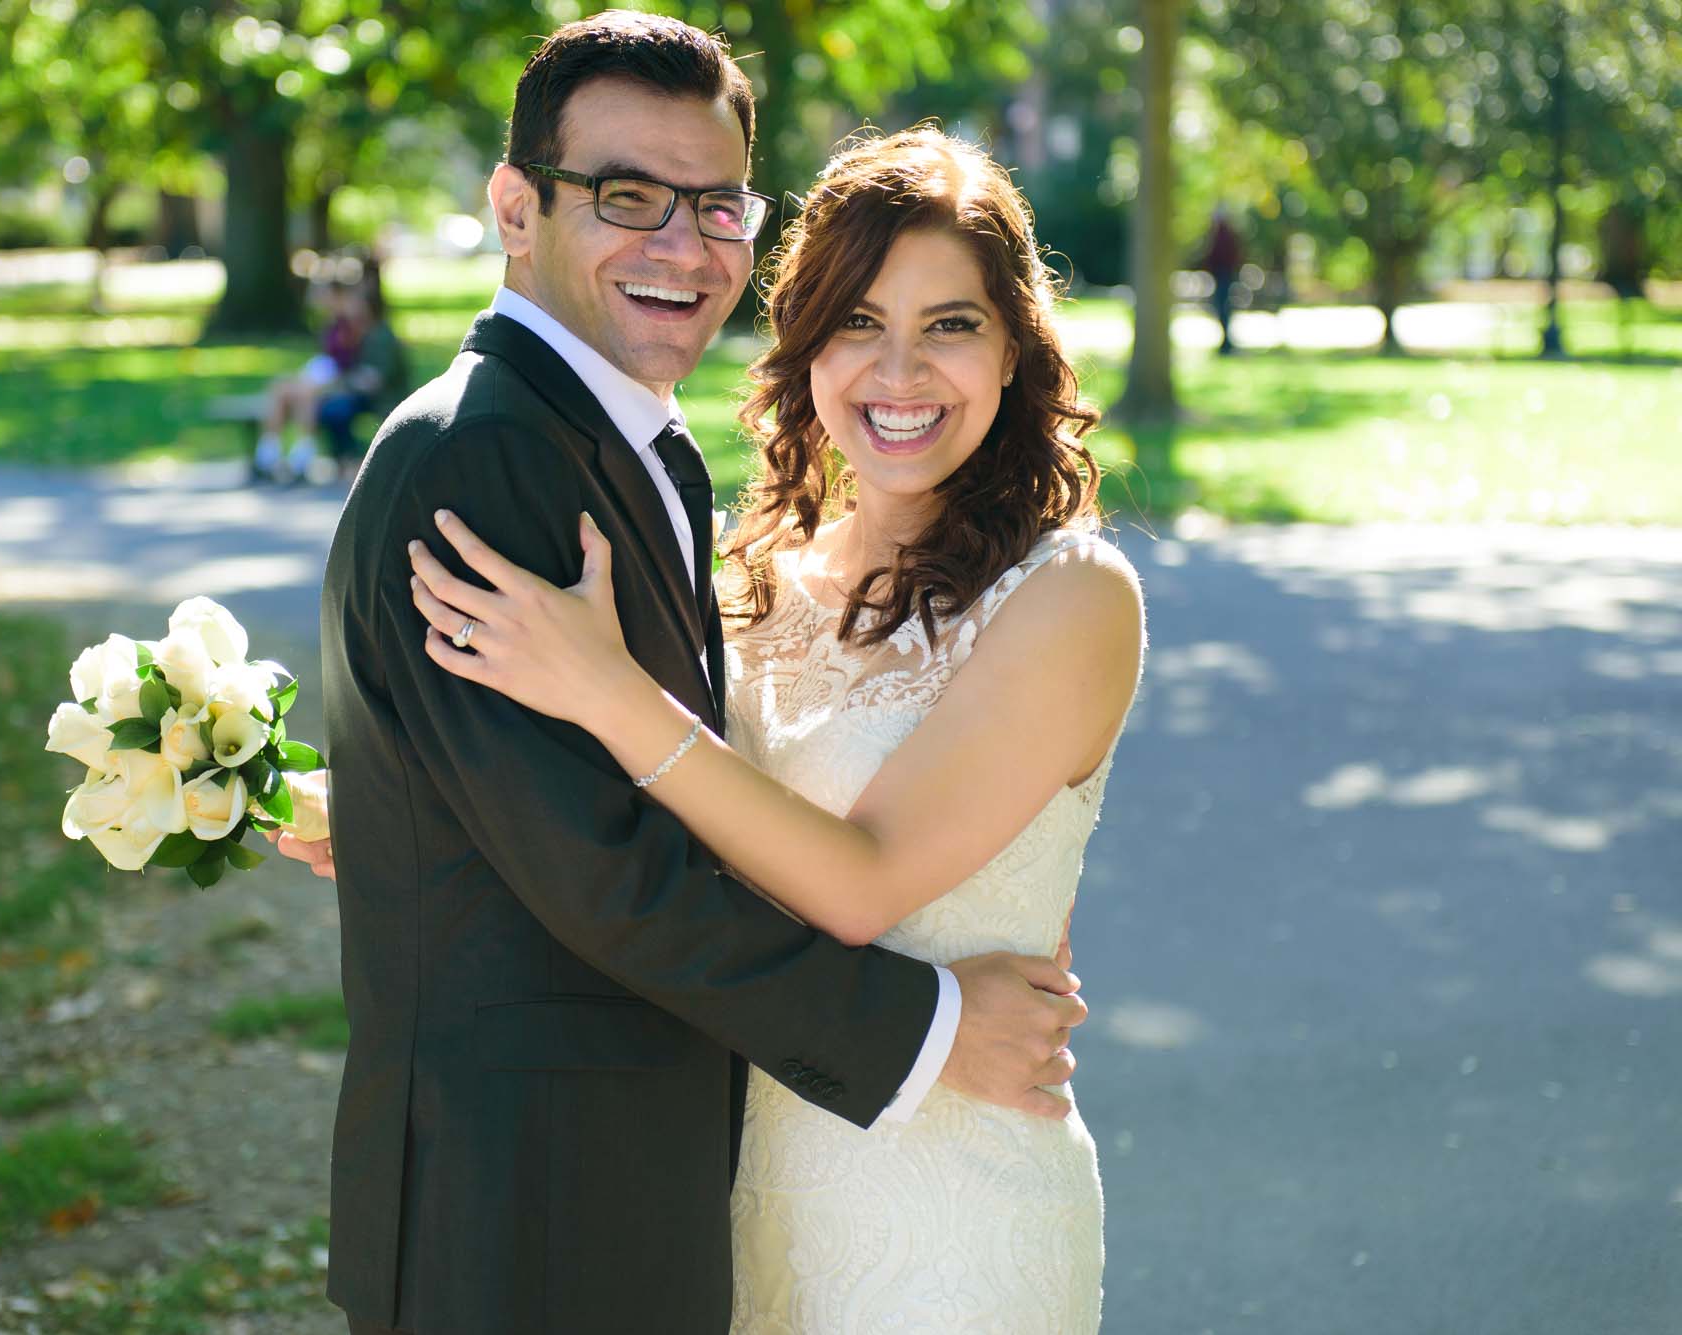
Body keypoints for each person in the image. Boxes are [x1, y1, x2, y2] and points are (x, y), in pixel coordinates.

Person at [269, 15, 1089, 1335]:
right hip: (528, 1211)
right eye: (625, 197)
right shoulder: (479, 459)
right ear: (515, 208)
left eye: (715, 205)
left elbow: (598, 796)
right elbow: (606, 869)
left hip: (678, 1181)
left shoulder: (631, 445)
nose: (681, 244)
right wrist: (927, 1027)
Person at [253, 278, 396, 484]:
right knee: (280, 389)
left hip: (350, 386)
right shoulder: (335, 324)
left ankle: (302, 454)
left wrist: (339, 380)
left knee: (306, 394)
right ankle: (268, 454)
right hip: (333, 377)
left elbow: (365, 372)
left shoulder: (365, 330)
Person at [1200, 204, 1243, 355]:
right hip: (1223, 275)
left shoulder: (1222, 234)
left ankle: (1226, 344)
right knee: (1223, 309)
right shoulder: (1223, 233)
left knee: (1223, 309)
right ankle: (1225, 343)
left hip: (1223, 275)